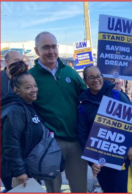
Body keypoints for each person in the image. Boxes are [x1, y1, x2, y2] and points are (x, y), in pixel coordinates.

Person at [29, 31, 87, 193]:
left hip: (76, 141)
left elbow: (87, 98)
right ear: (36, 51)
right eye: (45, 47)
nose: (51, 51)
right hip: (49, 143)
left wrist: (108, 89)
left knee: (80, 187)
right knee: (53, 189)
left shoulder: (70, 72)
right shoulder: (31, 77)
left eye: (54, 46)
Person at [77, 65, 132, 192]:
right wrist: (91, 162)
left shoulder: (117, 95)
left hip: (121, 156)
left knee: (124, 190)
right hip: (100, 161)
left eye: (98, 76)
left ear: (102, 77)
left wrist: (131, 146)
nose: (96, 80)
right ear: (85, 81)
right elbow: (83, 136)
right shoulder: (84, 105)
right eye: (91, 77)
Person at [0, 61, 42, 192]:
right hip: (18, 173)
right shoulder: (15, 110)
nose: (34, 90)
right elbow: (11, 143)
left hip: (29, 168)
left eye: (35, 86)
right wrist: (20, 172)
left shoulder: (28, 106)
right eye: (28, 87)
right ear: (17, 90)